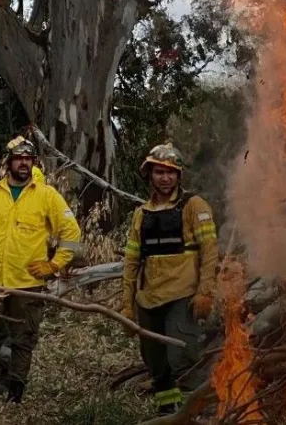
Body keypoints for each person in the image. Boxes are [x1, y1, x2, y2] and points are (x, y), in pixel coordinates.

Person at [0, 135, 82, 403]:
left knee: (23, 340)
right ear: (9, 163)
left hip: (28, 284)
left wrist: (53, 265)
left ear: (34, 163)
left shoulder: (47, 195)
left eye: (29, 159)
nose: (24, 164)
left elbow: (71, 233)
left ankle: (15, 395)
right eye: (19, 159)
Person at [120, 142, 218, 415]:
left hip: (183, 296)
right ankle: (169, 413)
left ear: (178, 176)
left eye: (170, 172)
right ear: (149, 174)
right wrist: (127, 304)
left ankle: (202, 414)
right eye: (159, 172)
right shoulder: (141, 213)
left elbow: (210, 251)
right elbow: (131, 261)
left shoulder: (194, 205)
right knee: (156, 364)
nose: (165, 177)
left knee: (184, 360)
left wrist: (205, 291)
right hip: (148, 299)